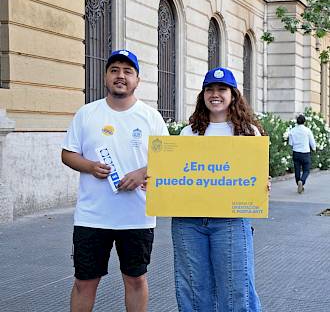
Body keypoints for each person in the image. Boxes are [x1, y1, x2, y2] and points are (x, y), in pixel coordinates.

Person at [61, 49, 169, 312]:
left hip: (137, 216)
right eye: (114, 70)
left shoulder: (150, 117)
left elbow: (168, 159)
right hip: (92, 216)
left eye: (127, 71)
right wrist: (89, 166)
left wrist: (142, 172)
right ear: (106, 76)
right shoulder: (87, 114)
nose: (120, 76)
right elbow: (67, 154)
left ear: (137, 80)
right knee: (84, 281)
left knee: (135, 279)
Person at [172, 67, 264, 312]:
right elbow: (176, 174)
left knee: (236, 289)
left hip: (231, 220)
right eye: (210, 89)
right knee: (192, 288)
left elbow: (256, 175)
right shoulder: (188, 133)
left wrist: (261, 185)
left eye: (222, 89)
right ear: (203, 95)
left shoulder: (247, 133)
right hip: (188, 221)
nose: (215, 94)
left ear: (233, 95)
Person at [288, 114, 316, 193]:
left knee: (297, 170)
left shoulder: (292, 131)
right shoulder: (307, 130)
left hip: (296, 152)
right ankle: (302, 181)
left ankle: (298, 183)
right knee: (306, 170)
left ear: (297, 121)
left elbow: (290, 143)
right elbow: (312, 142)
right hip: (305, 153)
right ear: (304, 122)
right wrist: (314, 148)